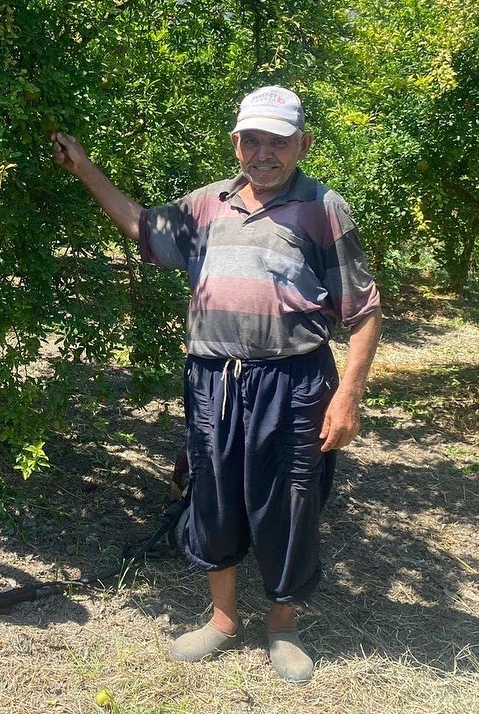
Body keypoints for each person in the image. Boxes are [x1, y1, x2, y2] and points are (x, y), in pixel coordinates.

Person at [52, 86, 381, 684]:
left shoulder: (322, 206)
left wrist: (348, 397)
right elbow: (141, 224)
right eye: (252, 140)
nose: (264, 153)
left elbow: (363, 309)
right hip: (213, 381)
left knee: (291, 501)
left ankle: (282, 624)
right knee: (214, 495)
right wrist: (85, 168)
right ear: (236, 143)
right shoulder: (209, 203)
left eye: (278, 142)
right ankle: (224, 619)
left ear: (301, 145)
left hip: (294, 382)